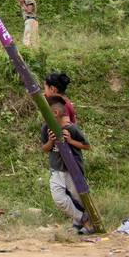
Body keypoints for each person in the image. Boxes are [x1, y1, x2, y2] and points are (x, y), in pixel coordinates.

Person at [40, 97, 94, 234]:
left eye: (46, 114)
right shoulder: (46, 128)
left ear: (56, 113)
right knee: (59, 199)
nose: (44, 118)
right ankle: (82, 219)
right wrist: (51, 142)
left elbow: (86, 146)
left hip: (72, 170)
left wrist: (70, 140)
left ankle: (84, 224)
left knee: (78, 198)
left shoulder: (72, 128)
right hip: (56, 171)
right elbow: (44, 148)